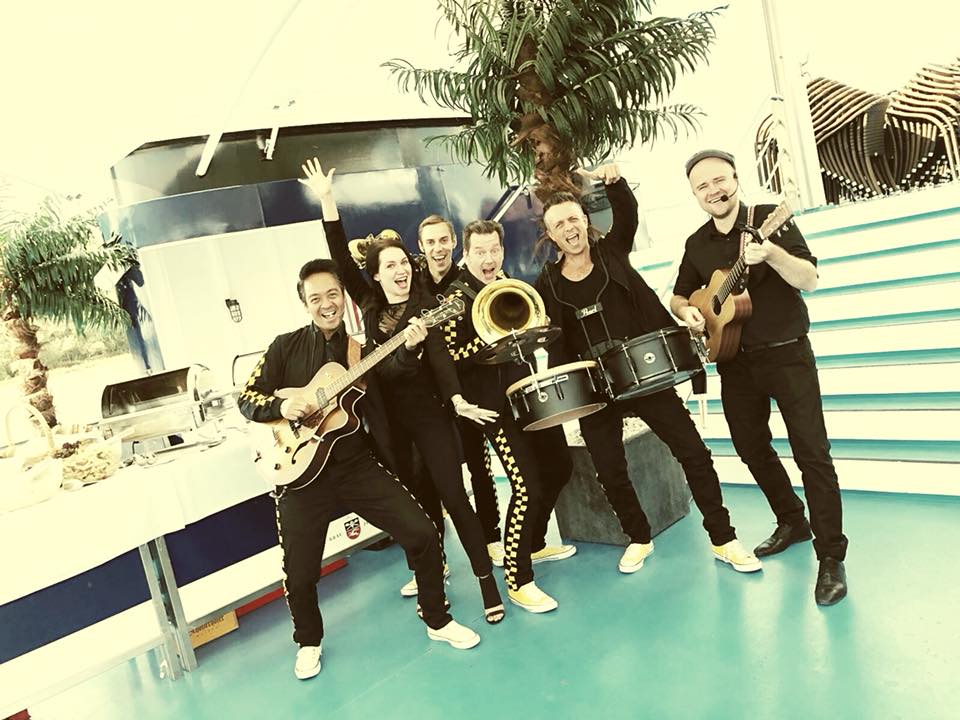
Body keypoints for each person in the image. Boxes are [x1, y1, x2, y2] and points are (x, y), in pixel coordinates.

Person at [237, 257, 480, 681]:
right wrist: (282, 405)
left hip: (354, 465)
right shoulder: (283, 347)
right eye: (316, 298)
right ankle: (308, 641)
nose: (326, 304)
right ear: (305, 303)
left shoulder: (360, 351)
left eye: (333, 294)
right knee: (300, 572)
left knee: (423, 533)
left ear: (343, 298)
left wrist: (411, 346)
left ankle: (437, 619)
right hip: (300, 475)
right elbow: (247, 397)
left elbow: (394, 370)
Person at [298, 158, 505, 624]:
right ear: (375, 275)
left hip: (430, 416)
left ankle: (486, 581)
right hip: (388, 424)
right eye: (390, 265)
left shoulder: (427, 307)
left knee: (455, 498)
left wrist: (457, 400)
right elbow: (338, 257)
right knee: (418, 505)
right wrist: (327, 201)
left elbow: (441, 361)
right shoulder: (369, 305)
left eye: (404, 264)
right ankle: (433, 576)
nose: (401, 271)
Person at [534, 163, 762, 576]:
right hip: (594, 389)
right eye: (559, 225)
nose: (569, 229)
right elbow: (547, 334)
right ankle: (638, 536)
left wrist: (614, 181)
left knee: (694, 453)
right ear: (550, 235)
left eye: (573, 219)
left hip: (645, 372)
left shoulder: (611, 251)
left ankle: (723, 538)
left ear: (585, 220)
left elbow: (627, 214)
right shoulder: (546, 284)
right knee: (610, 471)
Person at [670, 149, 848, 606]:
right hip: (734, 363)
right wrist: (690, 312)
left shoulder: (770, 218)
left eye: (719, 180)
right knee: (750, 447)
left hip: (787, 354)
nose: (713, 190)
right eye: (702, 186)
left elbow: (809, 278)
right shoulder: (696, 243)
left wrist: (771, 254)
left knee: (813, 453)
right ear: (695, 195)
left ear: (735, 179)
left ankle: (831, 556)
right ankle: (792, 519)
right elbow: (680, 296)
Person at [432, 218, 575, 614]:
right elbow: (446, 358)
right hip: (490, 406)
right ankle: (518, 578)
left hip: (525, 393)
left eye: (494, 249)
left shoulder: (507, 283)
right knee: (526, 486)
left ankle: (533, 542)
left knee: (560, 467)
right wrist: (488, 341)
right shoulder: (454, 298)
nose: (488, 258)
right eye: (479, 251)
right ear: (465, 254)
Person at [415, 214, 506, 567]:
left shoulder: (468, 280)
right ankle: (435, 559)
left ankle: (491, 537)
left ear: (455, 244)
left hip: (466, 390)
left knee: (480, 467)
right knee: (429, 476)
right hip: (427, 396)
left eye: (443, 240)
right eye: (430, 242)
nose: (438, 248)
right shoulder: (416, 284)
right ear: (421, 247)